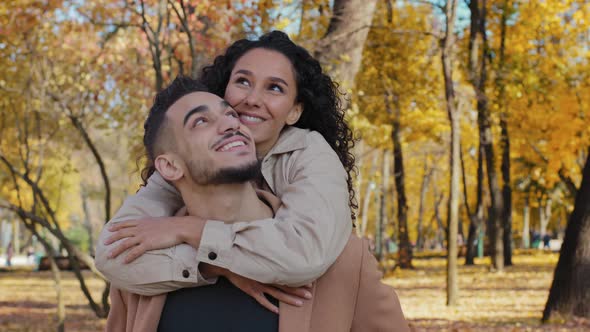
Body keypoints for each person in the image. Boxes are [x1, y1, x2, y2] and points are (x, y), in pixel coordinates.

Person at [105, 77, 409, 331]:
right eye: (201, 121)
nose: (230, 124)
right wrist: (217, 265)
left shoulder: (344, 261)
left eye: (230, 114)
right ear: (169, 167)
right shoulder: (141, 264)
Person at [95, 31, 356, 309]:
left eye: (275, 88)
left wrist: (188, 229)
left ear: (294, 112)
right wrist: (220, 267)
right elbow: (112, 254)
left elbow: (304, 253)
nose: (253, 99)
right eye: (243, 81)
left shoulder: (310, 154)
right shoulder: (186, 164)